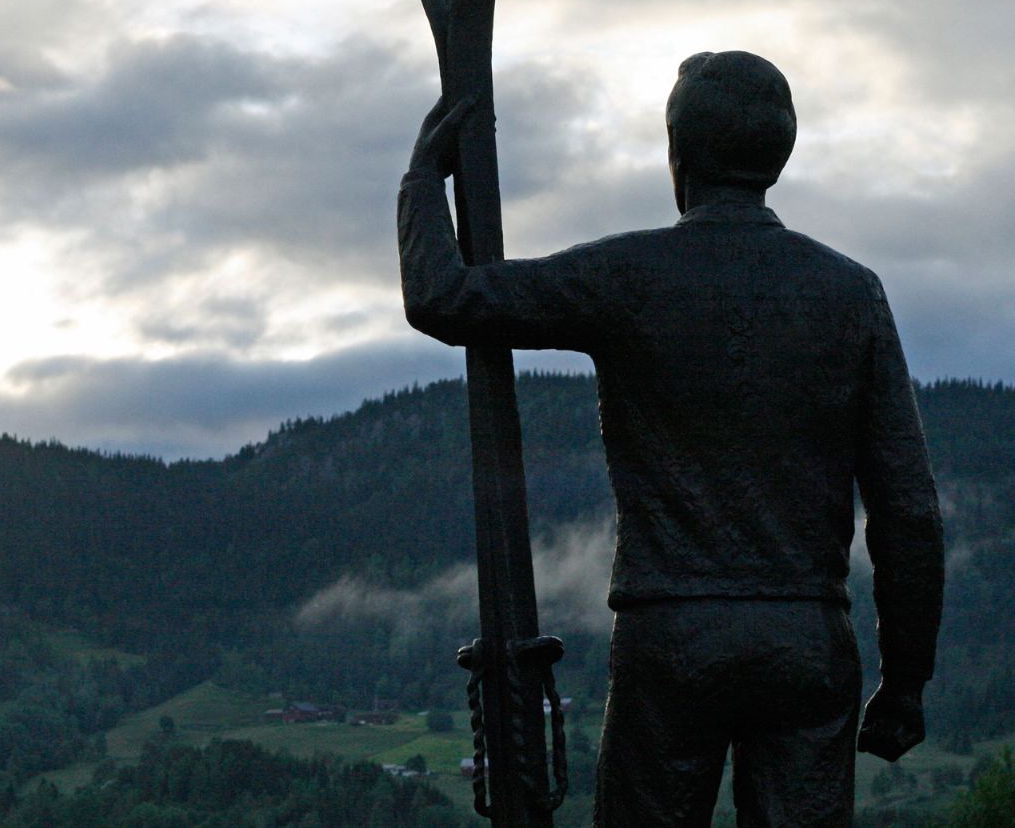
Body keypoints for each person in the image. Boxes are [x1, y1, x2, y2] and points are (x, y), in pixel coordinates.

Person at [396, 51, 944, 826]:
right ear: (778, 157)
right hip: (806, 640)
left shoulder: (631, 275)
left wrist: (423, 178)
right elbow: (908, 510)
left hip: (671, 638)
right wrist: (907, 680)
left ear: (676, 155)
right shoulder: (852, 294)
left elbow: (444, 296)